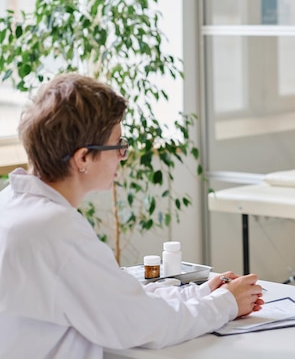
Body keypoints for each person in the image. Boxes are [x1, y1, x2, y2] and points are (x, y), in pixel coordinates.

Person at [0, 74, 264, 359]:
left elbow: (116, 301)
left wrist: (200, 294)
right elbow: (139, 325)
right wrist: (225, 304)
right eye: (118, 145)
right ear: (83, 158)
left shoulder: (14, 205)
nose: (122, 155)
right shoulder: (55, 230)